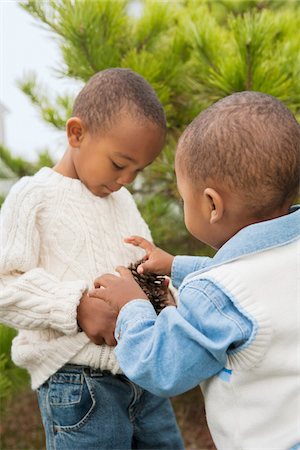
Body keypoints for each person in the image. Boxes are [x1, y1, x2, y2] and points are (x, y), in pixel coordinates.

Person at [90, 91, 300, 449]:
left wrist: (131, 307)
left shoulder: (220, 295)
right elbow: (243, 278)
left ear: (211, 204)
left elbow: (162, 366)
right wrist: (175, 265)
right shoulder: (274, 261)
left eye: (185, 198)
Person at [0, 68, 184, 450]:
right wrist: (76, 307)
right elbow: (5, 284)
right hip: (79, 384)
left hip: (143, 376)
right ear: (76, 134)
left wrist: (167, 299)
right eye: (120, 164)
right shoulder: (33, 196)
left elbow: (141, 273)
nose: (127, 180)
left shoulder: (124, 202)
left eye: (138, 171)